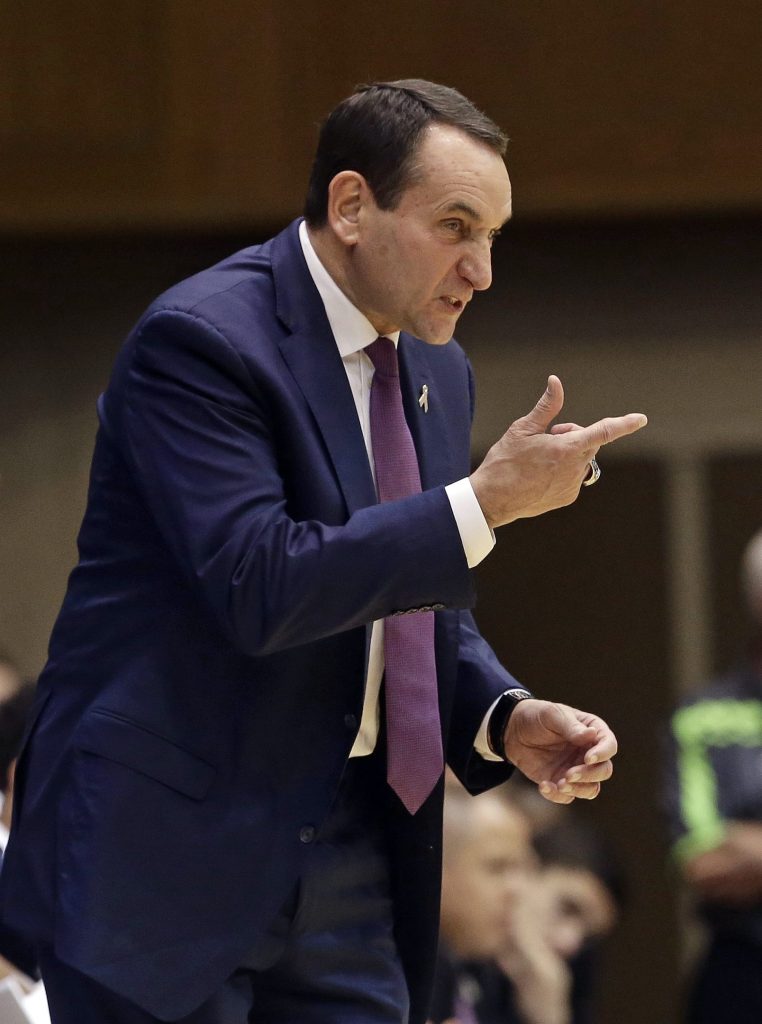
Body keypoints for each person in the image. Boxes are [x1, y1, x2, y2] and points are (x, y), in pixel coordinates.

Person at [0, 80, 646, 1024]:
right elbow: (262, 581)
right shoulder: (200, 342)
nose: (481, 271)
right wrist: (483, 504)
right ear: (351, 206)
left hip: (352, 845)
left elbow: (402, 598)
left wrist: (498, 713)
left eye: (493, 236)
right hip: (168, 853)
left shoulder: (436, 367)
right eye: (455, 227)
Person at [665, 527, 762, 1023]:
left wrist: (749, 845)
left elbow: (734, 855)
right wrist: (726, 852)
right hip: (743, 967)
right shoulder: (702, 715)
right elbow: (703, 862)